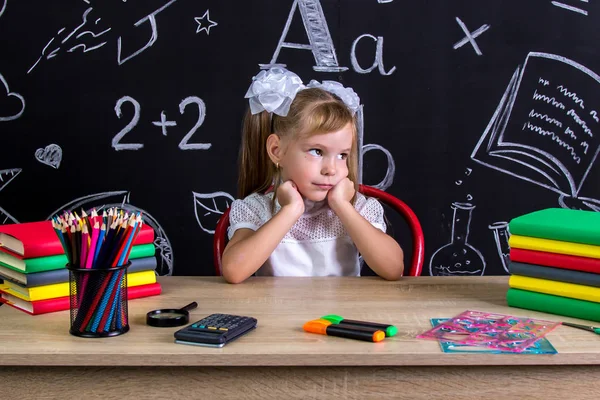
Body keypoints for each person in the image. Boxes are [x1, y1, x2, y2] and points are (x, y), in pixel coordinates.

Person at [222, 67, 404, 283]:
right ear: (276, 150)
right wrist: (291, 210)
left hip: (340, 316)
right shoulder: (256, 209)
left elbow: (393, 269)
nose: (331, 169)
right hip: (278, 314)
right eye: (317, 151)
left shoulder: (357, 207)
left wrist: (343, 206)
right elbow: (234, 271)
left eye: (342, 155)